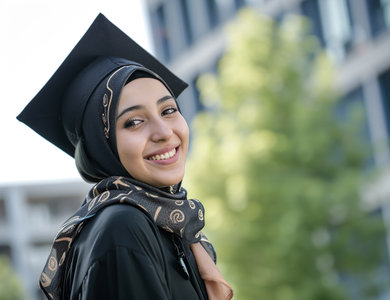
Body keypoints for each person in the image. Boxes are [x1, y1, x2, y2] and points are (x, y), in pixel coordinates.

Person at [17, 14, 233, 300]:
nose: (164, 132)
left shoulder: (170, 226)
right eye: (133, 122)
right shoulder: (123, 227)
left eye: (168, 110)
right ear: (100, 145)